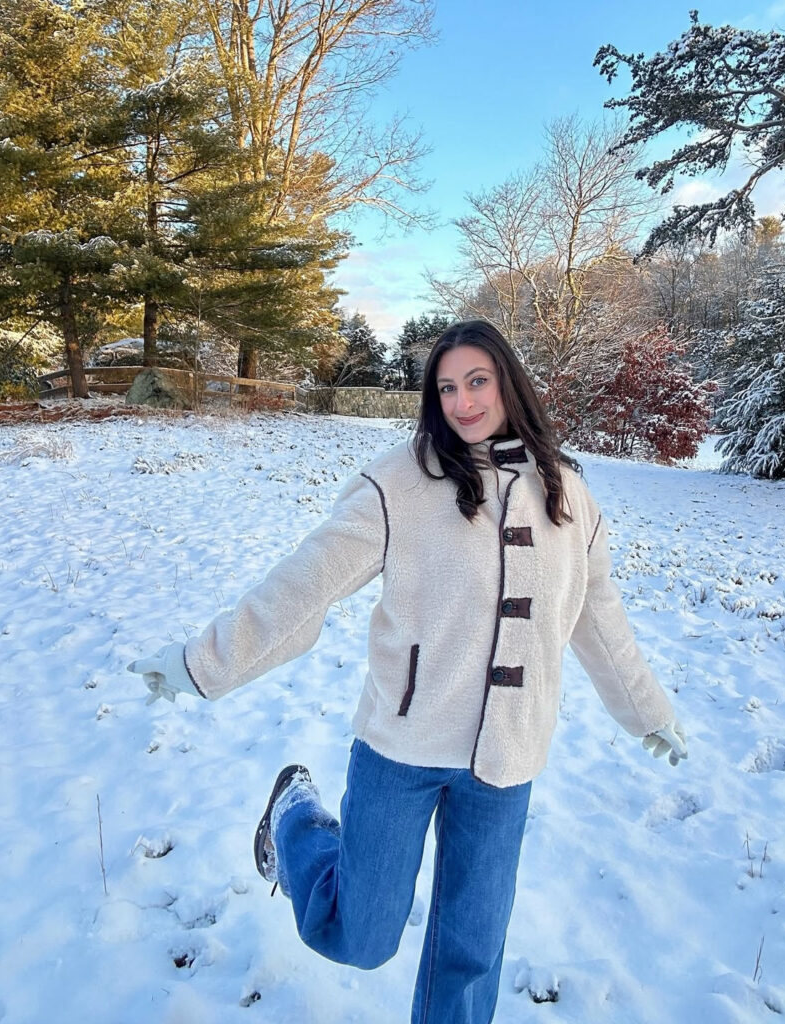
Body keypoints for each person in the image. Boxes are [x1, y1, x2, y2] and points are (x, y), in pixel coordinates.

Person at [128, 319, 687, 1024]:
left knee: (471, 955)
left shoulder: (568, 496)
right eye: (447, 387)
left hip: (508, 757)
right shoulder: (402, 481)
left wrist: (649, 712)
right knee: (358, 937)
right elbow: (306, 584)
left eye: (477, 380)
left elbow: (597, 616)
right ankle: (295, 819)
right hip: (404, 746)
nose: (462, 401)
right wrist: (198, 663)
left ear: (509, 381)